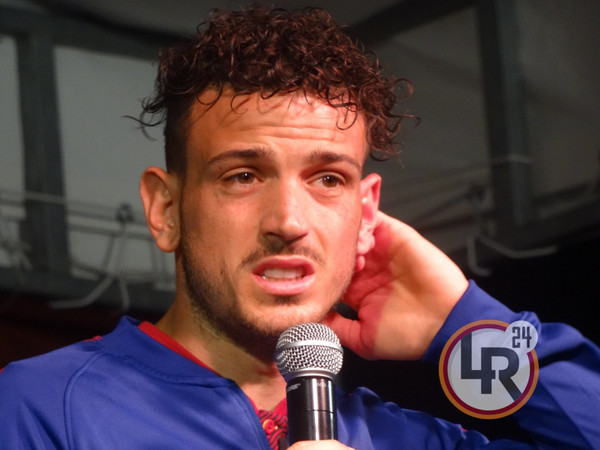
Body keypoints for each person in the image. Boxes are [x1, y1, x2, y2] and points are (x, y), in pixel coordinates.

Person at [1, 6, 599, 449]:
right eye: (242, 176)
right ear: (166, 210)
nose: (288, 222)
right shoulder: (40, 407)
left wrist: (466, 326)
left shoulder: (405, 438)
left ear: (365, 214)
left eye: (328, 179)